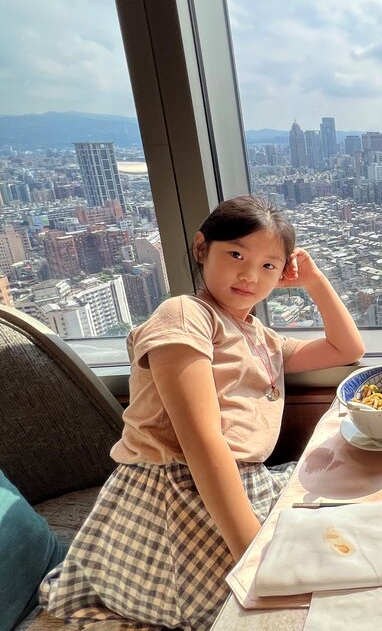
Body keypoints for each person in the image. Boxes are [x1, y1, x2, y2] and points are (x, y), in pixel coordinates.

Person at [40, 196, 365, 629]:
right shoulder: (184, 316)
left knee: (348, 519)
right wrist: (252, 555)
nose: (250, 275)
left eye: (270, 265)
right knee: (269, 604)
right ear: (201, 248)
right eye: (236, 254)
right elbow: (202, 441)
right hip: (174, 493)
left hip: (239, 481)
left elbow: (348, 348)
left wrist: (315, 281)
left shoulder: (260, 337)